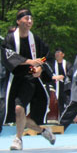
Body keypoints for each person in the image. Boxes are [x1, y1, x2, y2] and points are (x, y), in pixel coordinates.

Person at [1, 9, 56, 150]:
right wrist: (29, 61)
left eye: (31, 19)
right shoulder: (10, 39)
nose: (29, 21)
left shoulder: (36, 40)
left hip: (30, 79)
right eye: (26, 18)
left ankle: (18, 139)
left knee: (19, 109)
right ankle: (43, 131)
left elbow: (46, 57)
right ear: (18, 21)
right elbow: (10, 56)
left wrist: (40, 68)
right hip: (14, 79)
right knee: (16, 115)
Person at [49, 48, 73, 117]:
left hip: (66, 88)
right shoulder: (52, 64)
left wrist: (63, 77)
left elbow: (71, 72)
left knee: (68, 103)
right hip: (56, 87)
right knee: (57, 104)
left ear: (63, 54)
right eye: (56, 52)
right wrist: (56, 77)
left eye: (59, 52)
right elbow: (50, 74)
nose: (57, 54)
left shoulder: (67, 63)